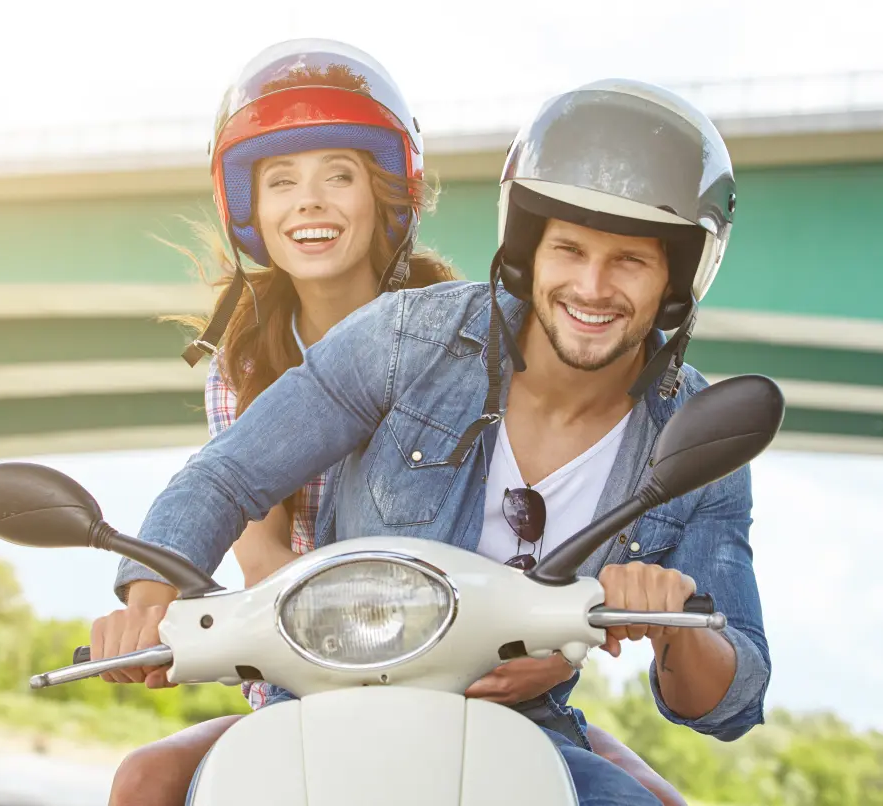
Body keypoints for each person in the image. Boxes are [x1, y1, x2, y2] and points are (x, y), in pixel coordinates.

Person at [101, 42, 687, 806]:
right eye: (281, 182)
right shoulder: (243, 368)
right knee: (144, 779)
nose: (309, 201)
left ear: (387, 192)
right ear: (248, 208)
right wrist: (151, 612)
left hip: (482, 663)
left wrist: (546, 637)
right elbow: (252, 535)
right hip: (316, 665)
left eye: (337, 175)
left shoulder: (456, 339)